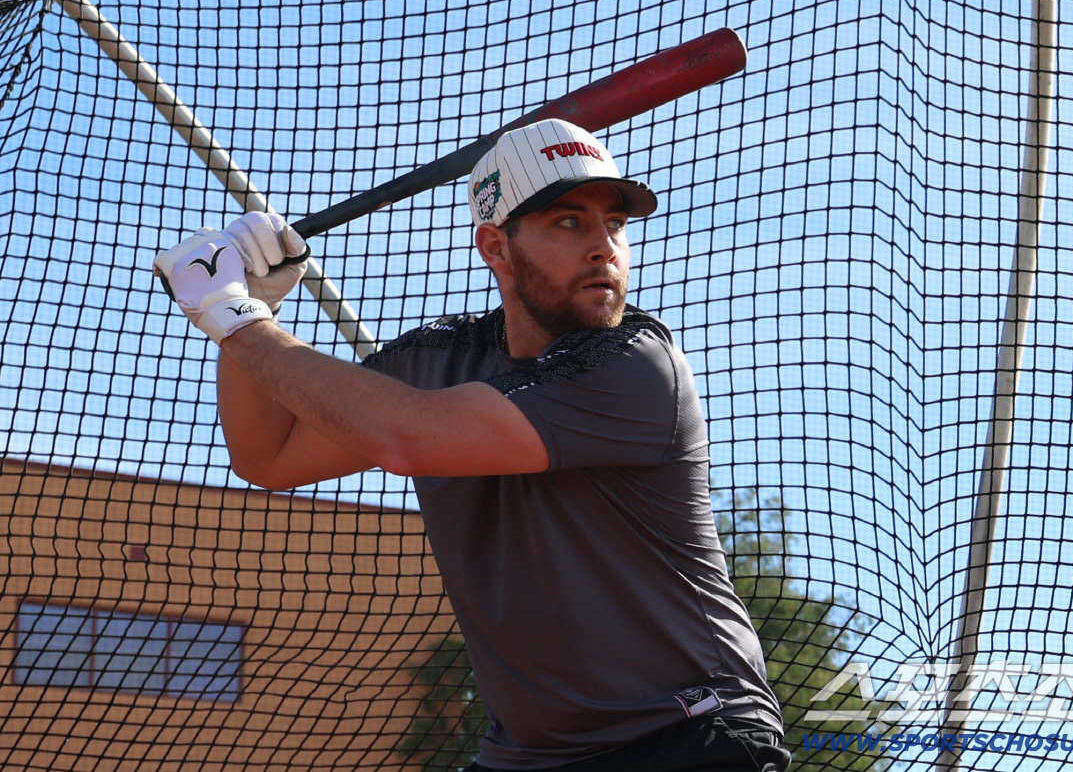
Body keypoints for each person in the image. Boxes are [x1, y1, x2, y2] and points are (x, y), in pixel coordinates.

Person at [153, 119, 790, 771]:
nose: (604, 247)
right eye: (568, 223)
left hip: (686, 736)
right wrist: (258, 312)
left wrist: (235, 319)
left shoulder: (636, 365)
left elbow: (409, 437)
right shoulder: (441, 359)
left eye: (614, 224)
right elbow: (270, 456)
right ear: (496, 248)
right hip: (529, 756)